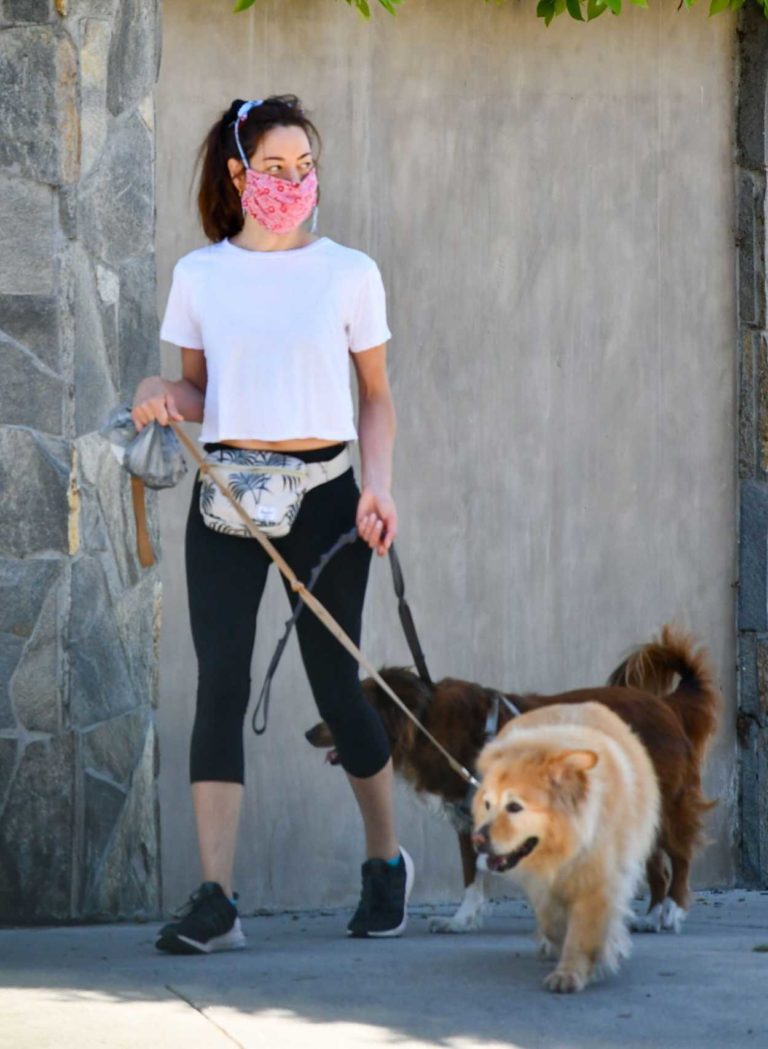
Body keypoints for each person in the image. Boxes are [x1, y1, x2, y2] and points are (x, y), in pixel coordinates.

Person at [132, 95, 412, 954]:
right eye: (275, 167)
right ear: (237, 173)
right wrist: (159, 397)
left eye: (304, 166)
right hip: (228, 504)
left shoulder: (349, 272)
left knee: (336, 683)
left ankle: (385, 859)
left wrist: (380, 488)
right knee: (219, 679)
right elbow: (202, 393)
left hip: (329, 497)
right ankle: (216, 899)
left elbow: (376, 398)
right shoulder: (201, 276)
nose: (293, 182)